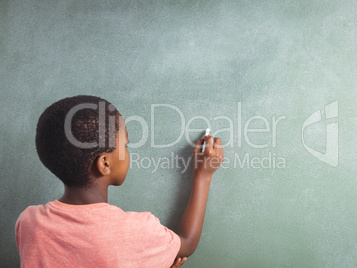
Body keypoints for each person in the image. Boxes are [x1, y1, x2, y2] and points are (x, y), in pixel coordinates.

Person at [15, 95, 224, 267]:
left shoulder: (29, 223)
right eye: (125, 145)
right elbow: (187, 243)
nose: (127, 151)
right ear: (105, 163)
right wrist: (203, 176)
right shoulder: (138, 230)